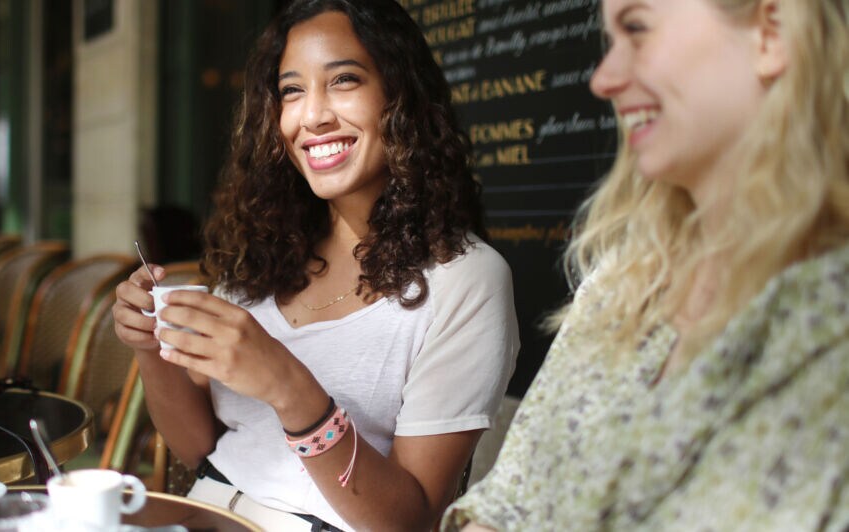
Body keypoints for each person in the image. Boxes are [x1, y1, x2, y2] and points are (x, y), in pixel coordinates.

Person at [112, 0, 519, 530]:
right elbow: (200, 449)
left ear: (401, 97)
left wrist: (290, 387)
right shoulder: (265, 253)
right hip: (206, 512)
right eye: (292, 90)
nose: (312, 116)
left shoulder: (466, 279)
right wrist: (151, 347)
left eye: (344, 80)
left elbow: (409, 520)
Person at [445, 0, 849, 530]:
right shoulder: (622, 276)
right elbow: (506, 504)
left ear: (770, 33)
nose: (605, 79)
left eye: (637, 29)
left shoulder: (829, 312)